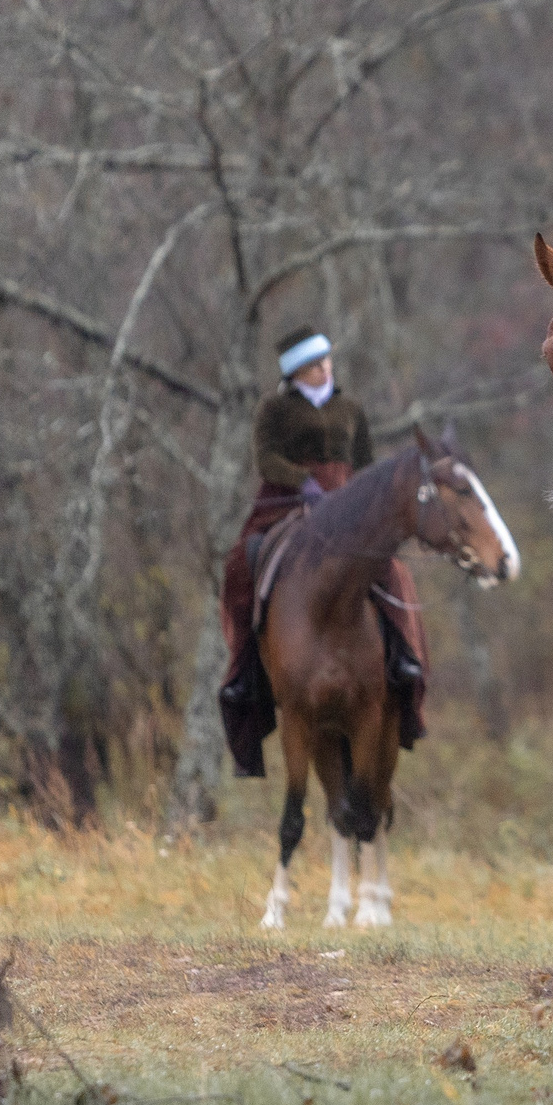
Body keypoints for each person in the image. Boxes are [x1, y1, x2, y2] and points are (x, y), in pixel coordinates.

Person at [217, 326, 375, 776]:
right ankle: (245, 669)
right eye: (313, 365)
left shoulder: (350, 408)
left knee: (391, 569)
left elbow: (364, 464)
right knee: (241, 566)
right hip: (287, 501)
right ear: (296, 374)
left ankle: (405, 659)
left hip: (344, 503)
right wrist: (304, 484)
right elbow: (264, 458)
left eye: (326, 360)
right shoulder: (273, 409)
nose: (324, 368)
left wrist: (359, 502)